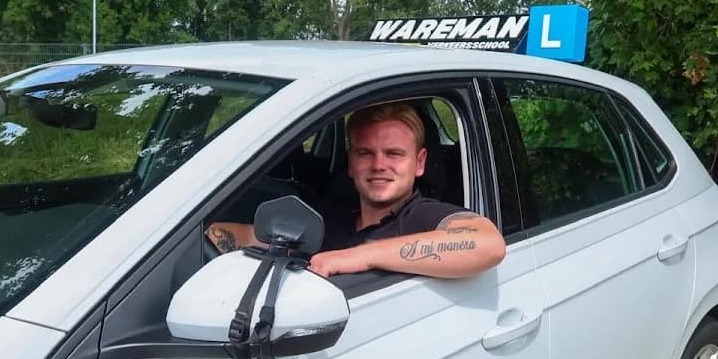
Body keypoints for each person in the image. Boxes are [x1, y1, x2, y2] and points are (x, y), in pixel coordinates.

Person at [205, 101, 506, 279]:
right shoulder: (330, 216)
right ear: (350, 163)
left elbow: (489, 244)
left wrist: (361, 256)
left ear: (419, 163)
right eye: (365, 153)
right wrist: (201, 234)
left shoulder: (421, 216)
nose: (378, 165)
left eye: (394, 154)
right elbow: (250, 236)